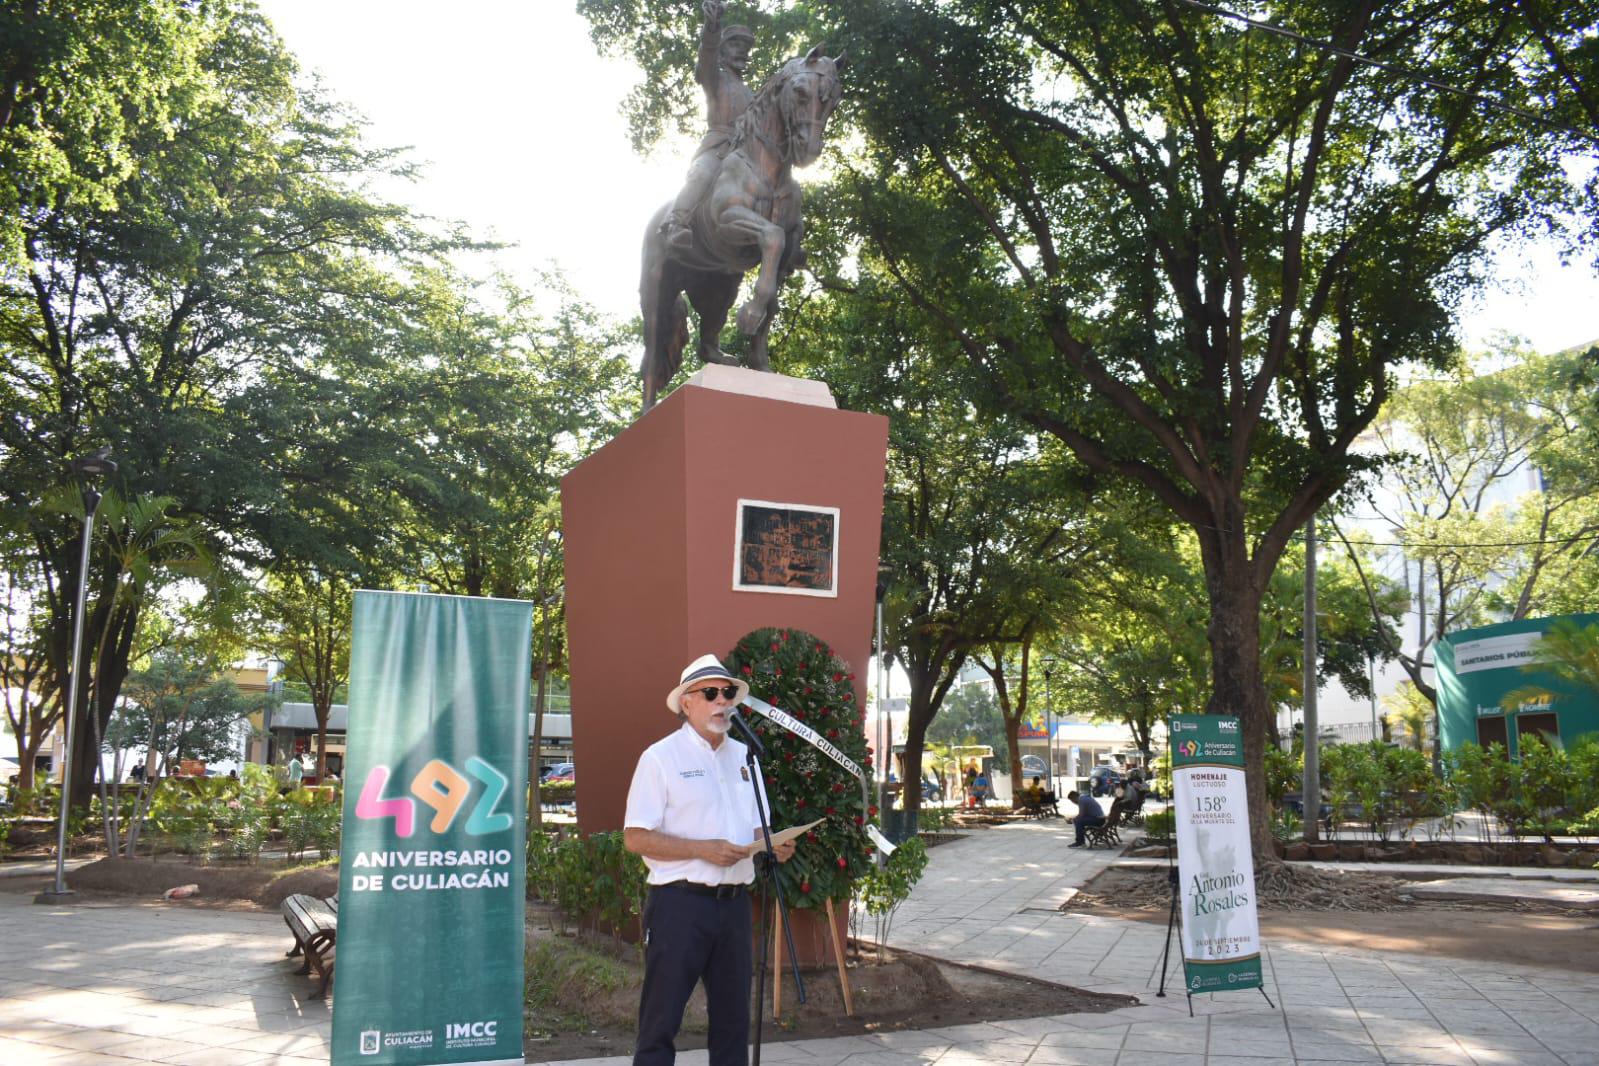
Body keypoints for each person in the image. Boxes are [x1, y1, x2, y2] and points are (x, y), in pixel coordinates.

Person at [623, 654, 796, 1066]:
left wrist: (773, 843)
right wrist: (702, 849)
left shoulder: (744, 757)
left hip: (734, 905)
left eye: (729, 693)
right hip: (679, 906)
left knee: (733, 1025)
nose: (723, 701)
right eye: (712, 693)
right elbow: (635, 837)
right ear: (687, 703)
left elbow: (757, 827)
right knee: (660, 1023)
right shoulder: (660, 757)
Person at [662, 1, 756, 253]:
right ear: (723, 52)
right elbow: (706, 55)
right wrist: (712, 26)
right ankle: (677, 223)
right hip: (718, 148)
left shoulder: (751, 93)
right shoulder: (714, 77)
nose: (741, 52)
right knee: (701, 174)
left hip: (745, 153)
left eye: (745, 48)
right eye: (735, 45)